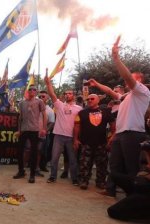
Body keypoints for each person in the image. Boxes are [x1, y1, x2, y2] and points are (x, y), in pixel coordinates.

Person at [88, 37, 150, 197]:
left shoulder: (143, 92)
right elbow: (110, 92)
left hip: (133, 133)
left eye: (131, 76)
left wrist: (116, 59)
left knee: (131, 166)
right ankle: (110, 189)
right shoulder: (127, 96)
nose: (126, 78)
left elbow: (128, 77)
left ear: (140, 80)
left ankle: (133, 196)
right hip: (121, 133)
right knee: (114, 163)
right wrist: (96, 84)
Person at [44, 70, 82, 185]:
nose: (67, 95)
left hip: (71, 137)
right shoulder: (59, 105)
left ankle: (74, 178)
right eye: (65, 93)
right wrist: (48, 84)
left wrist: (77, 138)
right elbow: (52, 94)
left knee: (72, 159)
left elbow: (80, 125)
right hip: (58, 136)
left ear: (73, 95)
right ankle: (53, 176)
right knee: (54, 158)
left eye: (69, 93)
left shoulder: (79, 109)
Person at [73, 94, 115, 190]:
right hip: (86, 143)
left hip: (101, 143)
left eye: (92, 98)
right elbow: (77, 126)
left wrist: (112, 137)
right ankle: (84, 181)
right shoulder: (81, 113)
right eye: (88, 99)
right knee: (84, 164)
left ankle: (100, 182)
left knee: (102, 164)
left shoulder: (106, 112)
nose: (90, 100)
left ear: (98, 100)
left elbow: (113, 125)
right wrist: (75, 139)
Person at [13, 85, 47, 183]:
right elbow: (20, 118)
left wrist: (44, 128)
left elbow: (44, 115)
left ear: (36, 91)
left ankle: (32, 175)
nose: (32, 91)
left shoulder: (39, 102)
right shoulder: (22, 103)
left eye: (34, 89)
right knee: (19, 151)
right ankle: (21, 171)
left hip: (34, 130)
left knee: (34, 152)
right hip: (23, 130)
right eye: (30, 89)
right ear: (28, 91)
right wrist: (19, 130)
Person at [38, 90, 55, 172]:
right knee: (33, 149)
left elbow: (52, 123)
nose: (41, 98)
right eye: (39, 96)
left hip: (45, 134)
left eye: (43, 96)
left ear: (47, 98)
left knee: (43, 151)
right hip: (34, 133)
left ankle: (42, 166)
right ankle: (32, 165)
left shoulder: (50, 110)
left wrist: (45, 131)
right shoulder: (35, 107)